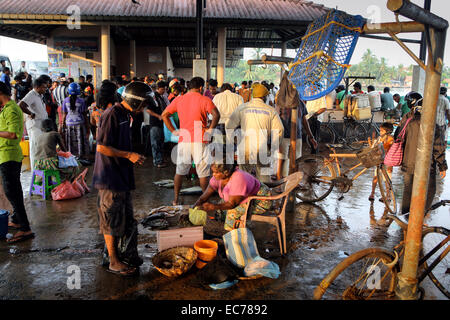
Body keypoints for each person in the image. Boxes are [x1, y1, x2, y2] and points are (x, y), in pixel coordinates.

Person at [92, 81, 149, 277]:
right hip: (110, 177)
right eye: (144, 104)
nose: (145, 108)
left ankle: (125, 255)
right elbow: (101, 147)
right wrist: (128, 155)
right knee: (111, 219)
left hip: (122, 175)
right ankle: (113, 261)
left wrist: (132, 154)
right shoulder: (111, 115)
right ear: (135, 102)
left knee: (125, 218)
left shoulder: (126, 115)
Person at [162, 76, 220, 205]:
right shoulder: (204, 99)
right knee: (203, 173)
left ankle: (176, 199)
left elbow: (164, 115)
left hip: (184, 140)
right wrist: (210, 131)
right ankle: (205, 201)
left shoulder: (179, 99)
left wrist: (173, 131)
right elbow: (216, 115)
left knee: (180, 171)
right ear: (200, 87)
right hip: (200, 140)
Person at [398, 92, 447, 215]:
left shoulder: (408, 122)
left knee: (408, 190)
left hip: (408, 162)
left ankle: (405, 216)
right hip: (427, 165)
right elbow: (438, 148)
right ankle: (421, 215)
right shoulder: (433, 126)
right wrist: (442, 166)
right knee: (430, 190)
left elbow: (398, 138)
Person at [226, 83, 285, 181]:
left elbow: (229, 125)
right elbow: (279, 130)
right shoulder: (271, 110)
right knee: (264, 177)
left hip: (245, 148)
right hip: (263, 148)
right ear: (264, 97)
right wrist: (273, 147)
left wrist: (235, 140)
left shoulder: (242, 108)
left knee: (243, 176)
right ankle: (264, 195)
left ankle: (244, 195)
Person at [194, 159, 272, 231]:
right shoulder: (216, 179)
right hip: (245, 196)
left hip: (260, 200)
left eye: (216, 172)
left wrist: (213, 206)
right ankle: (230, 228)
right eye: (213, 172)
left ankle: (231, 236)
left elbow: (232, 204)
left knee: (231, 213)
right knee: (219, 211)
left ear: (226, 172)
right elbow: (203, 198)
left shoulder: (238, 178)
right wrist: (192, 209)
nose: (213, 175)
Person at [0, 81, 34, 243]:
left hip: (9, 156)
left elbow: (13, 134)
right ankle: (16, 219)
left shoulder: (11, 110)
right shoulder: (8, 108)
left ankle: (25, 228)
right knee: (14, 192)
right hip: (7, 156)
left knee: (13, 193)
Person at [277, 97, 318, 179]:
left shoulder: (301, 103)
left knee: (297, 160)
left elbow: (304, 120)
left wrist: (311, 137)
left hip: (297, 136)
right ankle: (279, 180)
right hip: (283, 136)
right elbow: (276, 118)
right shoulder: (281, 102)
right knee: (282, 159)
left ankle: (294, 180)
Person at [18, 77, 48, 171]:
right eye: (44, 87)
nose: (45, 89)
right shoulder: (31, 94)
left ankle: (39, 170)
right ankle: (36, 172)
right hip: (35, 126)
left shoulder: (39, 95)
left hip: (40, 126)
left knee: (39, 149)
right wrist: (30, 114)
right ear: (37, 87)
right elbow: (21, 105)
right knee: (35, 149)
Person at [62, 82, 89, 160]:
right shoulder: (82, 101)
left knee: (70, 140)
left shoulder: (65, 100)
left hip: (69, 124)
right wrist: (88, 127)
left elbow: (64, 114)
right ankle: (80, 156)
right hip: (79, 124)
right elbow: (84, 115)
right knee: (80, 139)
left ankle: (71, 156)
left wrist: (62, 126)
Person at [368, 122, 394, 201]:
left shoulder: (391, 139)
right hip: (379, 161)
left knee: (387, 179)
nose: (380, 132)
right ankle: (372, 193)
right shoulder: (380, 138)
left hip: (388, 162)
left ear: (388, 131)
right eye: (380, 131)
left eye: (382, 131)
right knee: (376, 177)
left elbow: (387, 149)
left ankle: (388, 195)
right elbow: (374, 148)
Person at [146, 81, 167, 168]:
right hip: (155, 123)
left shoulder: (160, 97)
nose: (164, 91)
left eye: (165, 89)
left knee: (160, 142)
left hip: (161, 123)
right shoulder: (153, 97)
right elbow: (148, 110)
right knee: (155, 143)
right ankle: (157, 161)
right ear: (158, 88)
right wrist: (158, 116)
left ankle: (160, 159)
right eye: (162, 89)